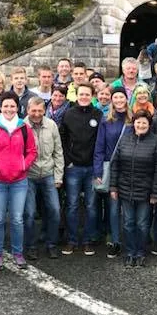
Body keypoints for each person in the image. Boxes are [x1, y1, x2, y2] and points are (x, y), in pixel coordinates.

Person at [0, 92, 38, 270]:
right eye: (6, 106)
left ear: (17, 107)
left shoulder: (24, 128)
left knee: (17, 219)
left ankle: (18, 253)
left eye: (12, 106)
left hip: (19, 181)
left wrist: (22, 165)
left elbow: (32, 152)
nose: (9, 109)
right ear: (1, 108)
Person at [110, 110, 157, 267]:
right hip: (125, 189)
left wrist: (155, 192)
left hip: (145, 191)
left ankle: (140, 252)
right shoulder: (125, 139)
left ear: (149, 124)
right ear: (133, 123)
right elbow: (116, 165)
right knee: (128, 222)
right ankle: (130, 252)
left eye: (144, 123)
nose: (140, 125)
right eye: (138, 122)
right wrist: (113, 187)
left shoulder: (156, 141)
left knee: (142, 223)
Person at [58, 82, 102, 255]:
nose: (84, 97)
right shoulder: (69, 114)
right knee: (72, 205)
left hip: (91, 167)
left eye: (87, 94)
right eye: (81, 94)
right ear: (76, 95)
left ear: (92, 96)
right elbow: (62, 138)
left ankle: (87, 240)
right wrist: (68, 161)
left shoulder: (98, 114)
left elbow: (101, 141)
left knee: (91, 206)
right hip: (73, 167)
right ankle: (72, 240)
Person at [24, 97, 64, 260]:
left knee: (54, 210)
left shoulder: (51, 125)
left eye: (40, 110)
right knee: (30, 213)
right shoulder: (21, 127)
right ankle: (31, 245)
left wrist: (58, 176)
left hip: (48, 174)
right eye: (33, 110)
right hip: (28, 176)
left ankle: (51, 244)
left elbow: (58, 152)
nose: (37, 114)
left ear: (44, 110)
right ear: (27, 110)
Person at [92, 87, 129, 258]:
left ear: (126, 98)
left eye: (122, 96)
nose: (119, 100)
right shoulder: (106, 121)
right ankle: (115, 241)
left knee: (129, 208)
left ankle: (131, 240)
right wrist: (98, 171)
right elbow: (99, 148)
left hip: (130, 168)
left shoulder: (133, 120)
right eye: (116, 97)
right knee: (113, 208)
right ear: (112, 100)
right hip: (111, 168)